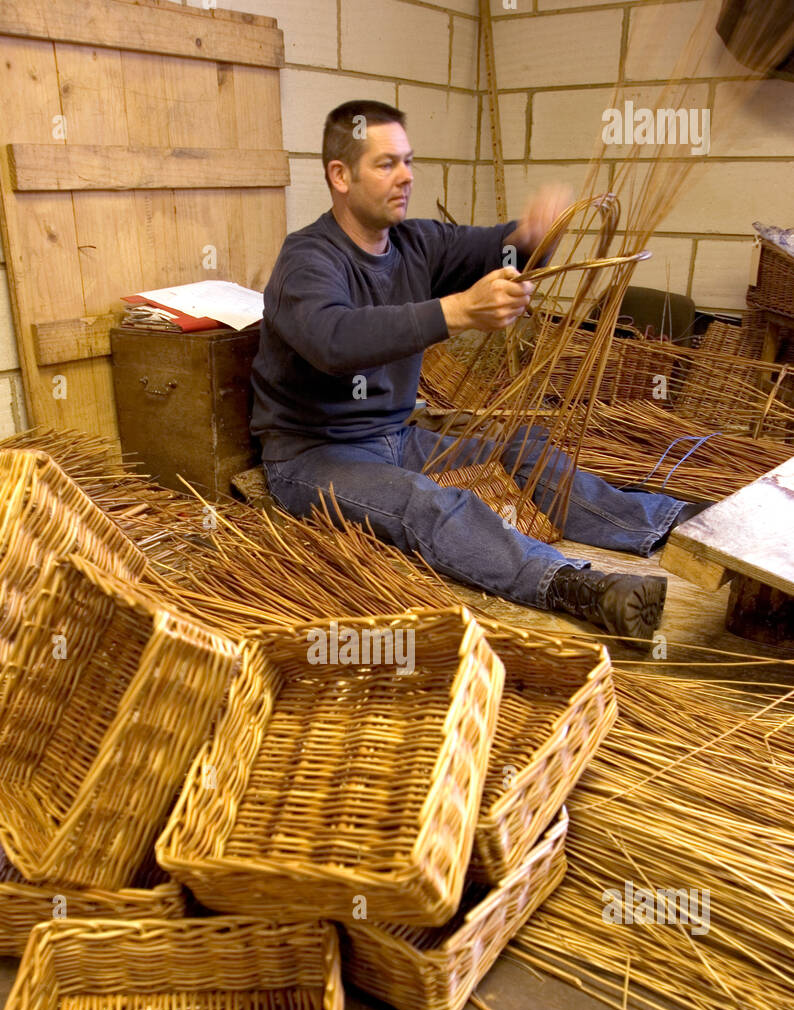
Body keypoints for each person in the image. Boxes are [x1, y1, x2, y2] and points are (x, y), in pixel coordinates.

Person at [250, 100, 696, 638]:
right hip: (313, 454)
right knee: (427, 503)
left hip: (395, 434)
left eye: (409, 162)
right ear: (339, 176)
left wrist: (534, 236)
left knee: (522, 451)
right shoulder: (308, 259)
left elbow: (499, 249)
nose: (406, 177)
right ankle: (571, 584)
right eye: (386, 164)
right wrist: (459, 310)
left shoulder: (418, 243)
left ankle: (670, 524)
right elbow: (334, 341)